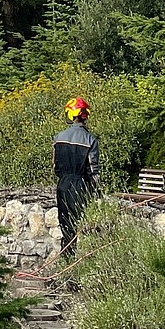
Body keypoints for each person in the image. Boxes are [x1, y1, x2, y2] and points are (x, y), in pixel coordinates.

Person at [53, 96, 100, 256]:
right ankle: (79, 260)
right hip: (80, 184)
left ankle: (66, 256)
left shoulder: (58, 137)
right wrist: (95, 191)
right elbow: (93, 170)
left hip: (62, 184)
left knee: (64, 222)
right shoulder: (90, 139)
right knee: (79, 222)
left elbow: (55, 166)